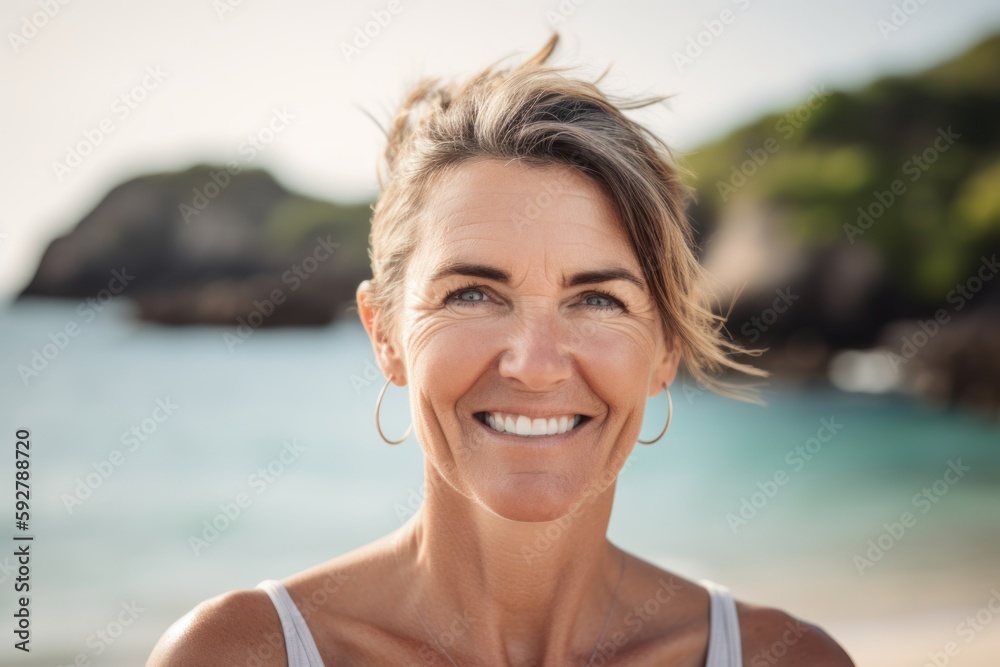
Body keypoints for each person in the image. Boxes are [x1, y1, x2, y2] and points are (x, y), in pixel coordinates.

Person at [148, 33, 855, 666]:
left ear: (666, 347)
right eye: (473, 293)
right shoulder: (241, 654)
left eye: (597, 299)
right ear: (384, 332)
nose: (536, 363)